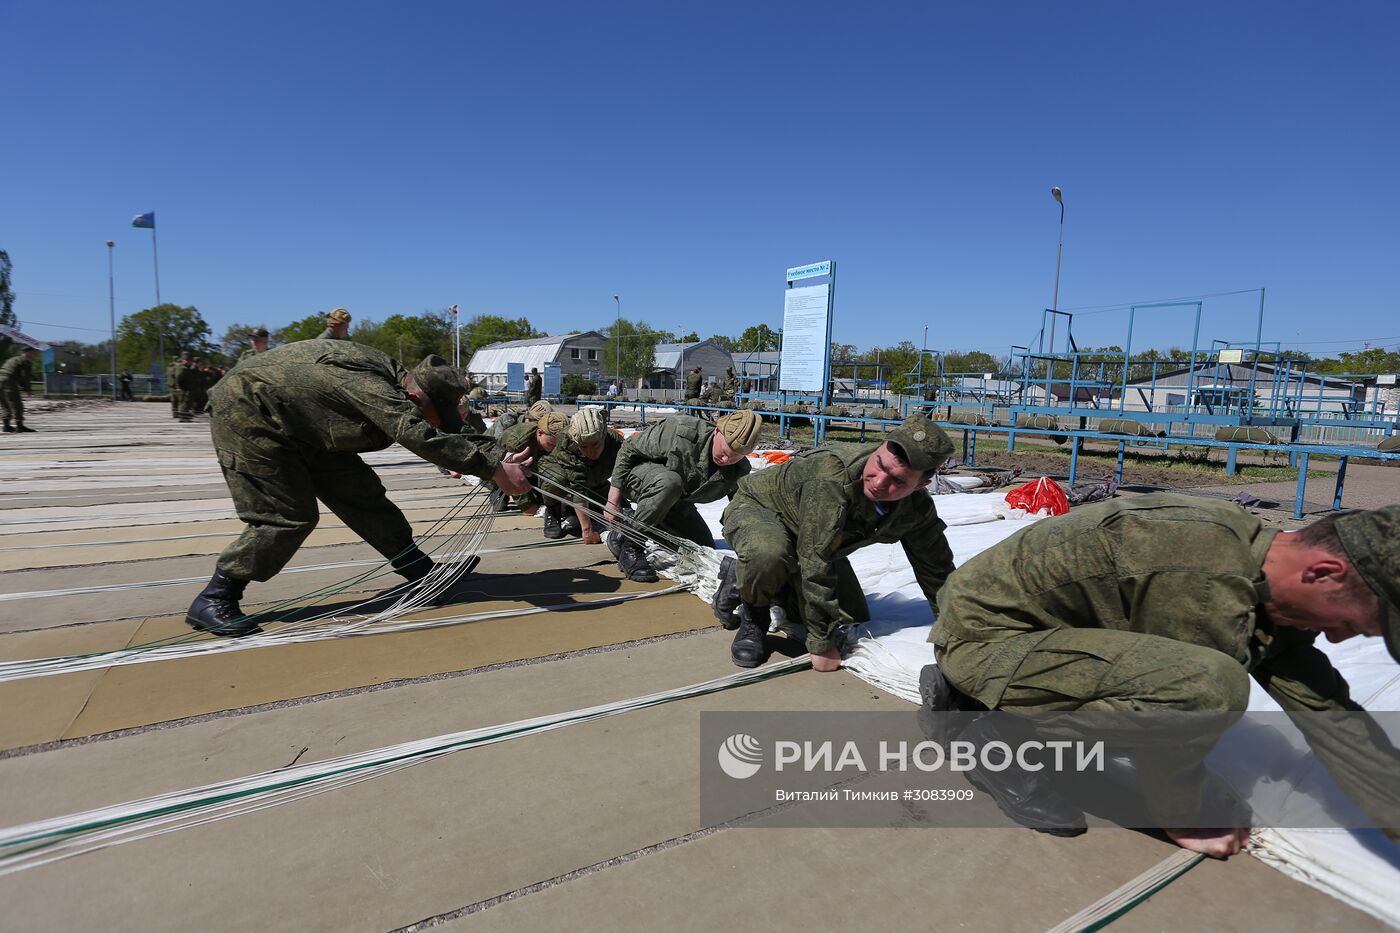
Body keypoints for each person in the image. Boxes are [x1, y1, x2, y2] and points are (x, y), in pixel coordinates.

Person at [922, 493, 1400, 856]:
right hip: (986, 638)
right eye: (1353, 623)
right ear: (1323, 573)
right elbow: (1181, 707)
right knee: (1208, 688)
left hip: (1042, 633)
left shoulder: (1266, 577)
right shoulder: (1199, 572)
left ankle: (971, 693)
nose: (1338, 640)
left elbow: (1330, 714)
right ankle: (999, 735)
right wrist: (1187, 814)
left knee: (1196, 686)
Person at [183, 344, 531, 638]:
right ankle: (216, 596)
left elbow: (449, 429)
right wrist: (491, 469)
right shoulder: (374, 389)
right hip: (251, 414)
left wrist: (499, 455)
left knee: (362, 495)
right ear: (414, 398)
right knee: (287, 516)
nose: (436, 423)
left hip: (306, 423)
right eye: (434, 416)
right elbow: (415, 433)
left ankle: (421, 575)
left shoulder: (404, 382)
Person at [716, 415, 956, 671]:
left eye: (897, 481)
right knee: (768, 554)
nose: (878, 483)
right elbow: (816, 562)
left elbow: (937, 571)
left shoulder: (917, 510)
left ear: (922, 484)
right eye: (880, 465)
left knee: (852, 617)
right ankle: (755, 613)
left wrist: (956, 635)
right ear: (878, 448)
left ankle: (753, 576)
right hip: (759, 508)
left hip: (811, 535)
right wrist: (820, 644)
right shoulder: (832, 477)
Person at [605, 410, 761, 582]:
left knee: (701, 548)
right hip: (639, 478)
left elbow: (740, 509)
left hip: (674, 499)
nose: (725, 460)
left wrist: (752, 546)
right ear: (717, 432)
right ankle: (631, 545)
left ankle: (628, 526)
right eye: (723, 452)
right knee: (671, 482)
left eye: (733, 458)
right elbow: (628, 449)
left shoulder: (739, 470)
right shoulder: (680, 431)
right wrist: (613, 500)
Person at [536, 407, 622, 542]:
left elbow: (625, 473)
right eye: (583, 446)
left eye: (595, 445)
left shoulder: (617, 442)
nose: (590, 451)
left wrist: (615, 500)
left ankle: (577, 505)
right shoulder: (566, 441)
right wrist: (587, 530)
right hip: (559, 469)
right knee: (557, 480)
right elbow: (578, 485)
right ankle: (553, 510)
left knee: (625, 515)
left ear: (604, 435)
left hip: (596, 477)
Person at [1, 346, 39, 433]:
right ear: (28, 353)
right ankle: (19, 425)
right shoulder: (25, 360)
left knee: (4, 404)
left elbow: (19, 377)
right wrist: (28, 389)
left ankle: (6, 426)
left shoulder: (12, 359)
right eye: (34, 353)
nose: (35, 355)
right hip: (9, 381)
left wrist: (23, 386)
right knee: (16, 403)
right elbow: (26, 377)